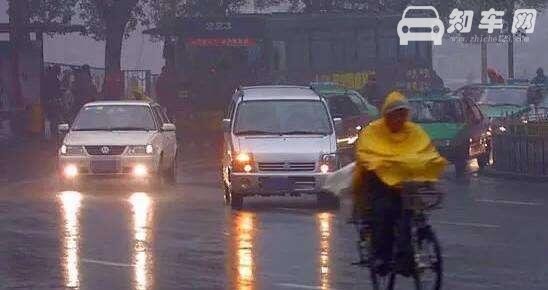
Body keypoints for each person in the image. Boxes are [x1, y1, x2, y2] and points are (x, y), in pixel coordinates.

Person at [352, 91, 447, 276]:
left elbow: (425, 151)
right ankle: (382, 257)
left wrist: (428, 165)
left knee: (408, 215)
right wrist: (383, 166)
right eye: (396, 114)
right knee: (384, 214)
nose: (399, 118)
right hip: (380, 185)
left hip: (407, 186)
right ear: (387, 115)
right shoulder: (373, 131)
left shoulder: (414, 131)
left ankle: (406, 257)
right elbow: (367, 154)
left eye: (403, 114)